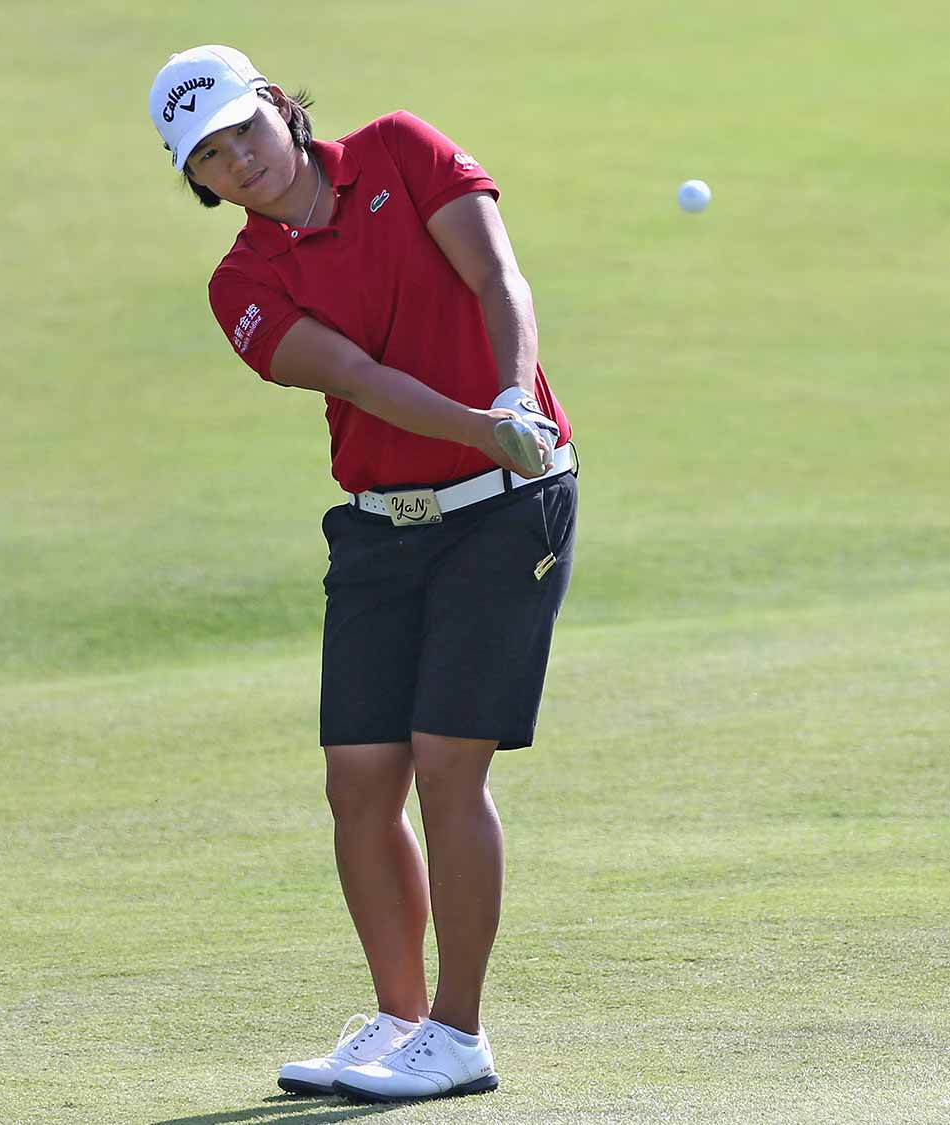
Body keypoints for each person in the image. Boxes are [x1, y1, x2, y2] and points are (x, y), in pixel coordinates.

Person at [147, 44, 579, 1104]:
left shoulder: (398, 149)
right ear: (196, 182)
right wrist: (482, 425)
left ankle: (458, 1034)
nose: (238, 158)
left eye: (243, 127)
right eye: (208, 156)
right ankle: (397, 1023)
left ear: (280, 107)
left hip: (507, 509)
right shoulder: (242, 285)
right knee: (356, 783)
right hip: (383, 525)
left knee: (445, 767)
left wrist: (512, 403)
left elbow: (495, 276)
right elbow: (359, 380)